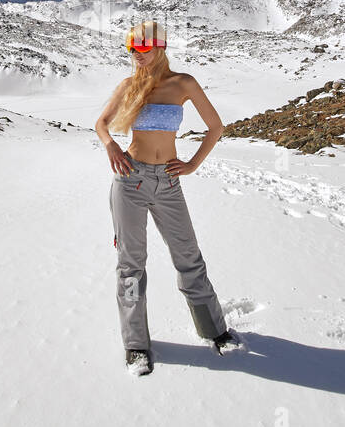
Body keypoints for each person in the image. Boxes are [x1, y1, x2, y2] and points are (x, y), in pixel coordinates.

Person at [94, 20, 244, 376]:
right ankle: (136, 346)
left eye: (142, 49)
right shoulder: (129, 85)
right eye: (131, 50)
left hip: (169, 183)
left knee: (189, 257)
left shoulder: (183, 83)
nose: (136, 56)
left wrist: (192, 163)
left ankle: (215, 330)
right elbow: (101, 124)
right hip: (130, 181)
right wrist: (112, 145)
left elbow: (216, 127)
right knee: (131, 264)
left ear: (160, 47)